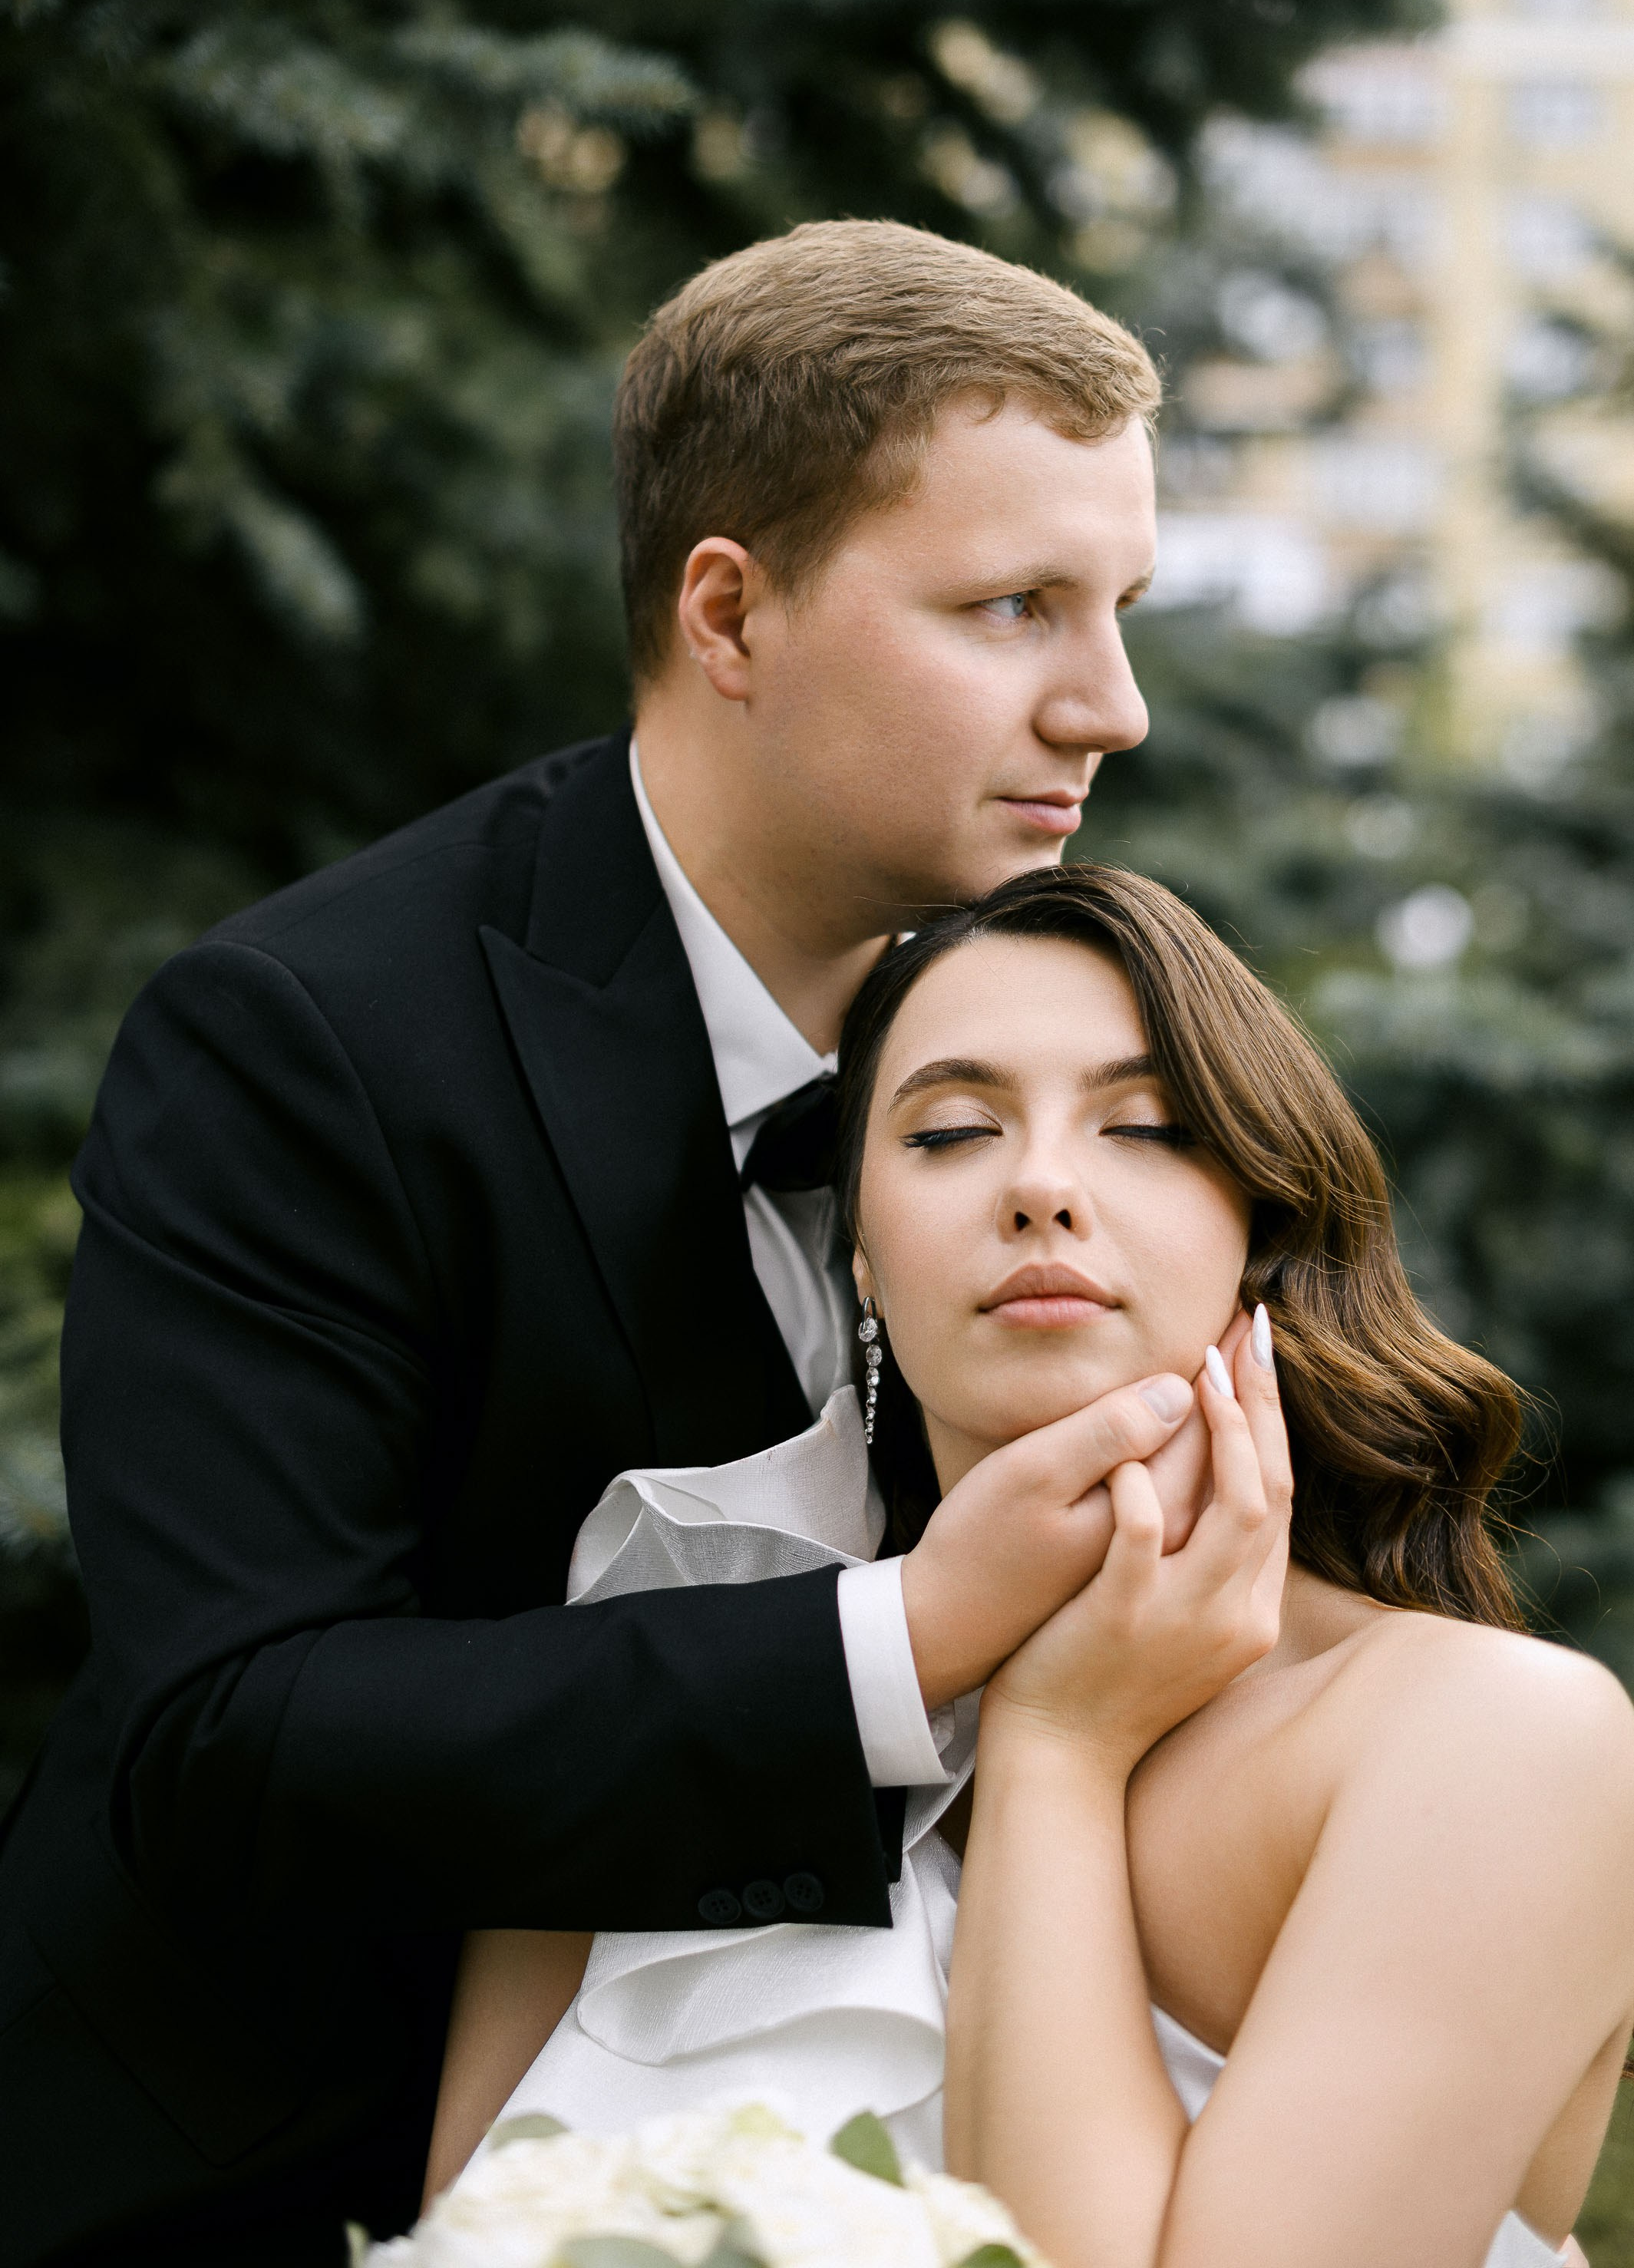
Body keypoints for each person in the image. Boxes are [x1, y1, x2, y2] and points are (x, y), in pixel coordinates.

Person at [0, 223, 1175, 2266]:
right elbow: (233, 1741)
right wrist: (903, 1642)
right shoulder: (310, 1040)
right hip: (266, 2180)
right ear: (729, 611)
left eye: (1121, 610)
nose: (1114, 706)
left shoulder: (1078, 1026)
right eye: (1014, 611)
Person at [426, 864, 1634, 2268]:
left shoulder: (1487, 1742)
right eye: (949, 1132)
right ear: (859, 1255)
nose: (1043, 1186)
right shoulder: (659, 1682)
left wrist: (1060, 1749)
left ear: (1255, 1233)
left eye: (1145, 1128)